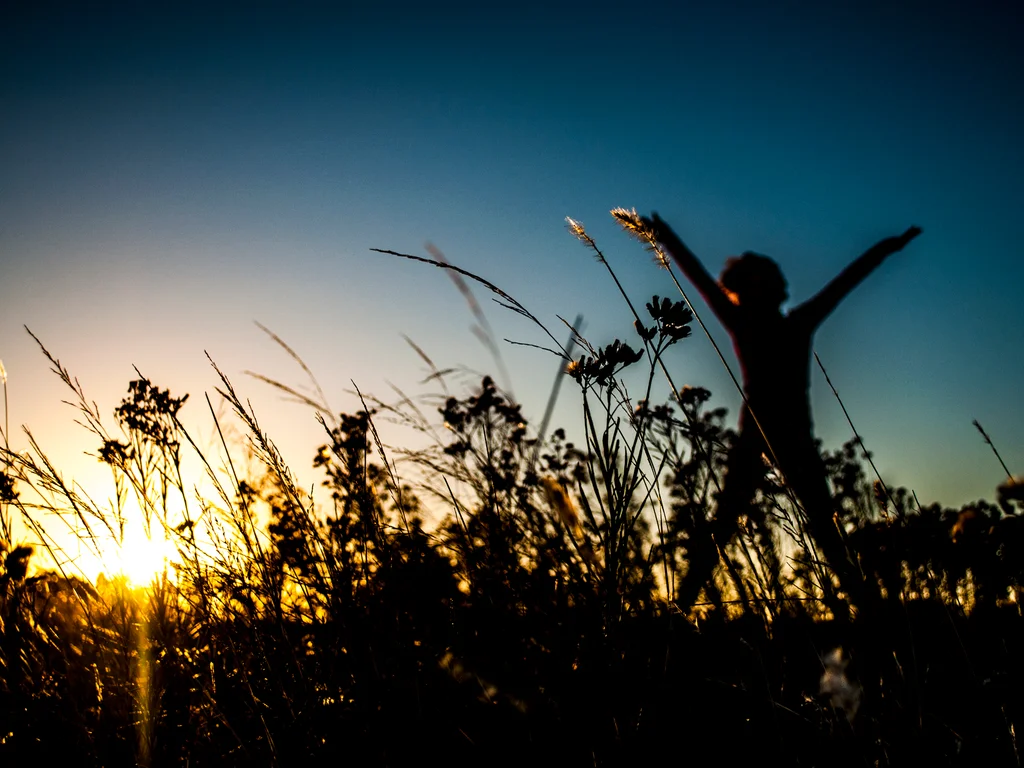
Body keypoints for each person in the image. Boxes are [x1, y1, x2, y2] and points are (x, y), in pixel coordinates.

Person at [643, 213, 921, 613]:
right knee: (805, 529)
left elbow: (846, 280)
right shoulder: (775, 322)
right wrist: (665, 235)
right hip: (771, 437)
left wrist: (887, 247)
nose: (783, 282)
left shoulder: (784, 322)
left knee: (801, 529)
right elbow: (701, 278)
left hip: (779, 437)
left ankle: (679, 611)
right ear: (752, 288)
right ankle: (679, 611)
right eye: (772, 277)